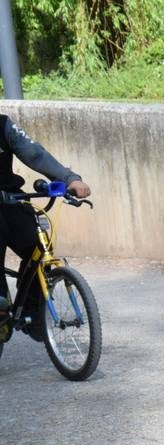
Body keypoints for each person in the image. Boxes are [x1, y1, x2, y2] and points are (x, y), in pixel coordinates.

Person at [0, 116, 91, 338]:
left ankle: (32, 309)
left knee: (39, 243)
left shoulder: (3, 125)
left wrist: (69, 179)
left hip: (9, 200)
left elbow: (34, 153)